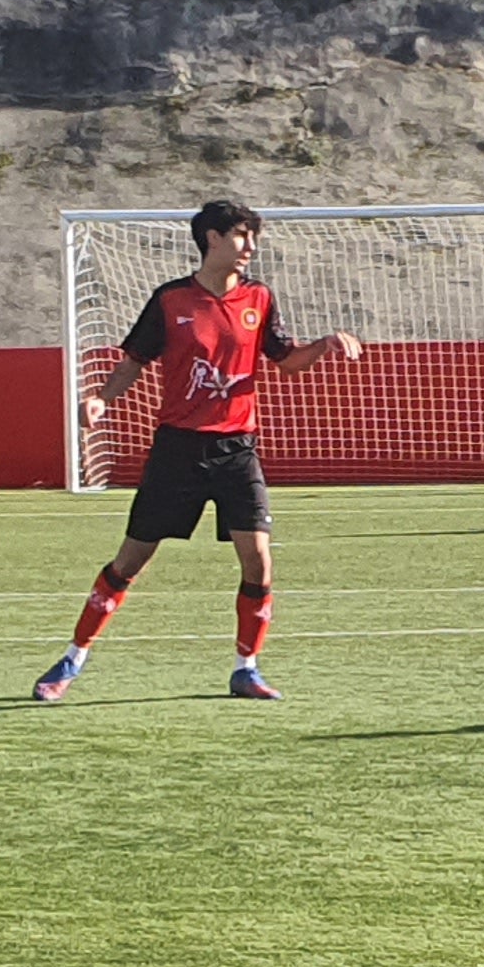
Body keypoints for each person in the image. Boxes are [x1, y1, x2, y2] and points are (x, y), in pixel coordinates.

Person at [32, 198, 361, 703]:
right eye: (240, 236)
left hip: (237, 449)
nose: (250, 246)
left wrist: (324, 344)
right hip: (178, 452)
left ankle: (246, 668)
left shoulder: (259, 298)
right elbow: (133, 362)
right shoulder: (170, 301)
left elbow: (287, 361)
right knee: (130, 562)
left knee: (259, 563)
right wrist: (102, 398)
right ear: (211, 239)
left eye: (253, 237)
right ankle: (73, 656)